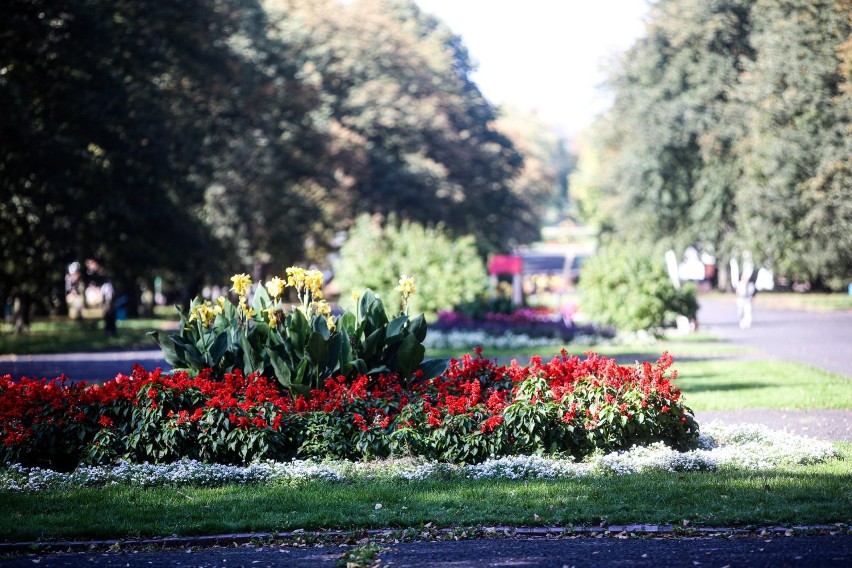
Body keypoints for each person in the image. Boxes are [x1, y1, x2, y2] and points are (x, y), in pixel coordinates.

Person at [735, 253, 758, 329]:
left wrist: (752, 297)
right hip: (741, 299)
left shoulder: (750, 285)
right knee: (740, 312)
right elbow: (737, 292)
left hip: (747, 300)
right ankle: (741, 322)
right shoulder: (740, 284)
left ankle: (747, 324)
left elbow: (753, 292)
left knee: (748, 312)